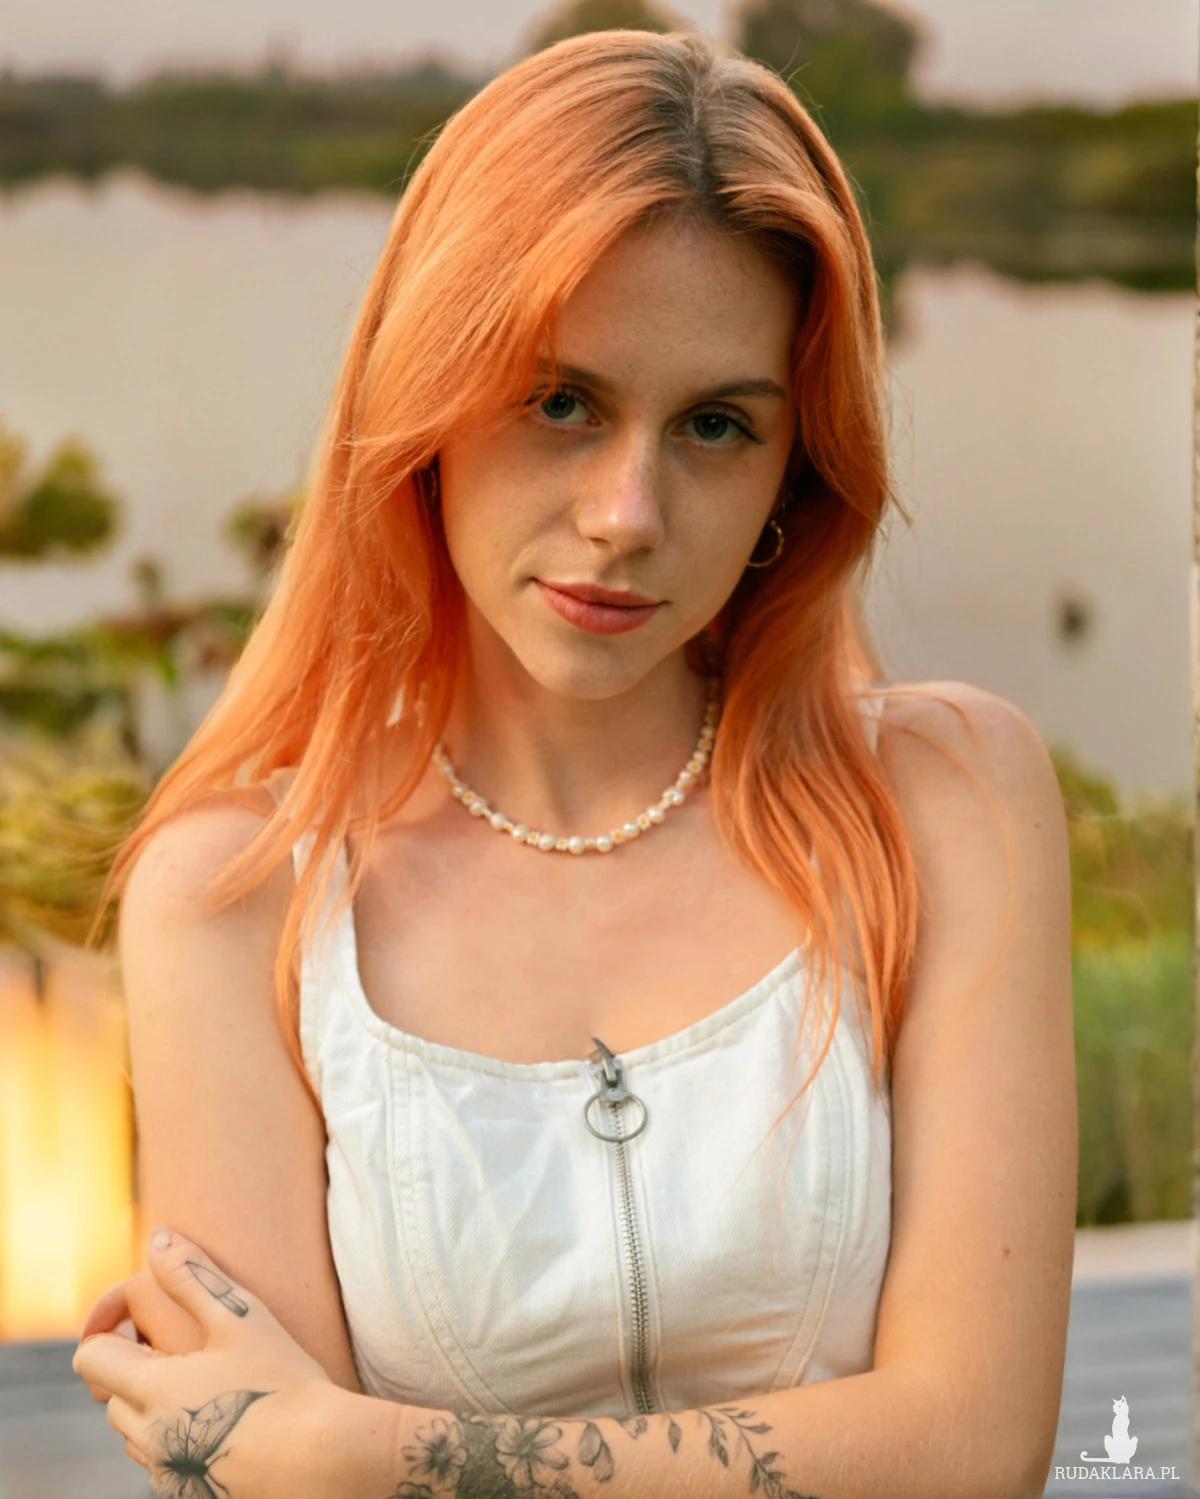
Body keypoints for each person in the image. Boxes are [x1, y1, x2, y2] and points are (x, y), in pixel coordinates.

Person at [72, 26, 1076, 1499]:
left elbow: (976, 1449)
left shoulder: (948, 800)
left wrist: (369, 1453)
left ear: (796, 471)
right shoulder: (239, 892)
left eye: (716, 426)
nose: (627, 514)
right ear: (423, 399)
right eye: (562, 403)